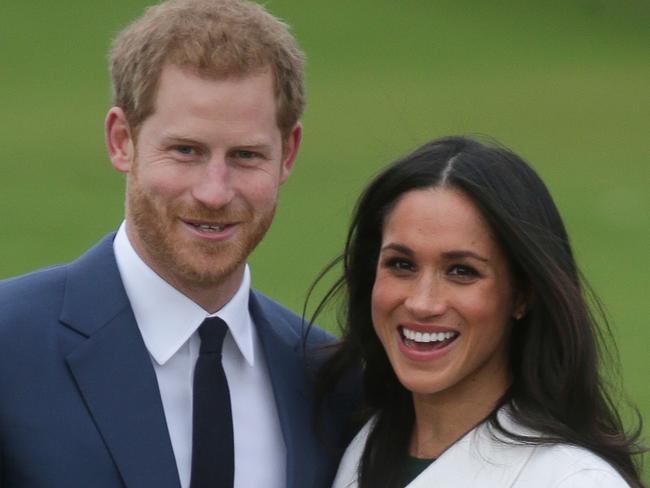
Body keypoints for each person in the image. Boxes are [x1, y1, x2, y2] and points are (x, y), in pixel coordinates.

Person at [0, 1, 357, 487]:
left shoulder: (331, 381)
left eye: (246, 155)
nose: (214, 191)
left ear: (287, 153)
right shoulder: (10, 343)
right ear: (122, 140)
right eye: (186, 151)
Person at [310, 136, 643, 487]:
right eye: (401, 264)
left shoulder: (572, 480)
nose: (422, 303)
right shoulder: (355, 445)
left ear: (522, 294)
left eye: (461, 271)